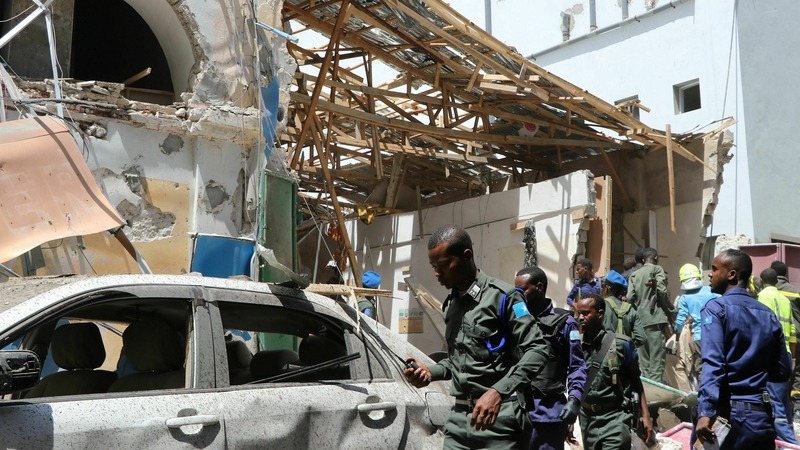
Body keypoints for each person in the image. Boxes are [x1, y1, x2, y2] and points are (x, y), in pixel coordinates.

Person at [404, 224, 550, 449]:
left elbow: (538, 350)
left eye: (443, 265)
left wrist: (497, 392)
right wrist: (429, 372)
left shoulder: (504, 298)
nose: (437, 274)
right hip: (459, 419)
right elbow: (458, 363)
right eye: (434, 266)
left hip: (499, 420)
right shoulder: (451, 305)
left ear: (466, 256)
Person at [696, 249, 793, 449]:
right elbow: (783, 371)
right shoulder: (767, 314)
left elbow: (713, 364)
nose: (709, 274)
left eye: (714, 269)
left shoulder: (715, 309)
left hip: (727, 418)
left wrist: (705, 411)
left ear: (732, 274)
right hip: (761, 418)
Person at [515, 267, 587, 450]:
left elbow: (577, 366)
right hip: (514, 412)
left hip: (547, 415)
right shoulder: (515, 317)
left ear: (539, 287)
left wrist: (574, 400)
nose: (518, 295)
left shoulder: (565, 323)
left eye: (523, 289)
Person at [574, 294, 653, 450]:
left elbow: (636, 381)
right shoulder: (576, 346)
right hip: (587, 420)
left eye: (586, 313)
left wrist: (646, 416)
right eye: (579, 313)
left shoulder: (622, 345)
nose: (581, 317)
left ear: (600, 314)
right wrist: (571, 421)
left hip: (615, 418)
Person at [757, 268, 799, 446]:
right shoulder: (784, 299)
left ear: (761, 280)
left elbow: (764, 328)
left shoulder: (763, 297)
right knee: (783, 398)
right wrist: (793, 357)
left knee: (775, 403)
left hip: (772, 356)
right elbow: (791, 331)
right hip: (787, 354)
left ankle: (790, 444)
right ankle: (787, 441)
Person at [626, 247, 671, 383]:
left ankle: (647, 396)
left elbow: (629, 297)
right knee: (656, 362)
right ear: (655, 258)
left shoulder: (635, 275)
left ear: (643, 259)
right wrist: (670, 308)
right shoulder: (657, 270)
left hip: (640, 321)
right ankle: (656, 398)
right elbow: (662, 291)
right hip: (655, 320)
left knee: (644, 364)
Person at [673, 263, 719, 392]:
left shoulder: (684, 298)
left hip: (699, 337)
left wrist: (676, 332)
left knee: (701, 367)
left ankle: (705, 395)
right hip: (716, 334)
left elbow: (680, 320)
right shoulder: (711, 291)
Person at [771, 261, 800, 419]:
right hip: (796, 336)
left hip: (775, 339)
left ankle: (779, 408)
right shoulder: (795, 291)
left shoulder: (767, 292)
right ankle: (797, 409)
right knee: (797, 373)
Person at [602, 270, 645, 348]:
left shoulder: (600, 306)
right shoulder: (631, 310)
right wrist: (627, 346)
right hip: (625, 357)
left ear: (606, 288)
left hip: (603, 354)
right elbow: (642, 338)